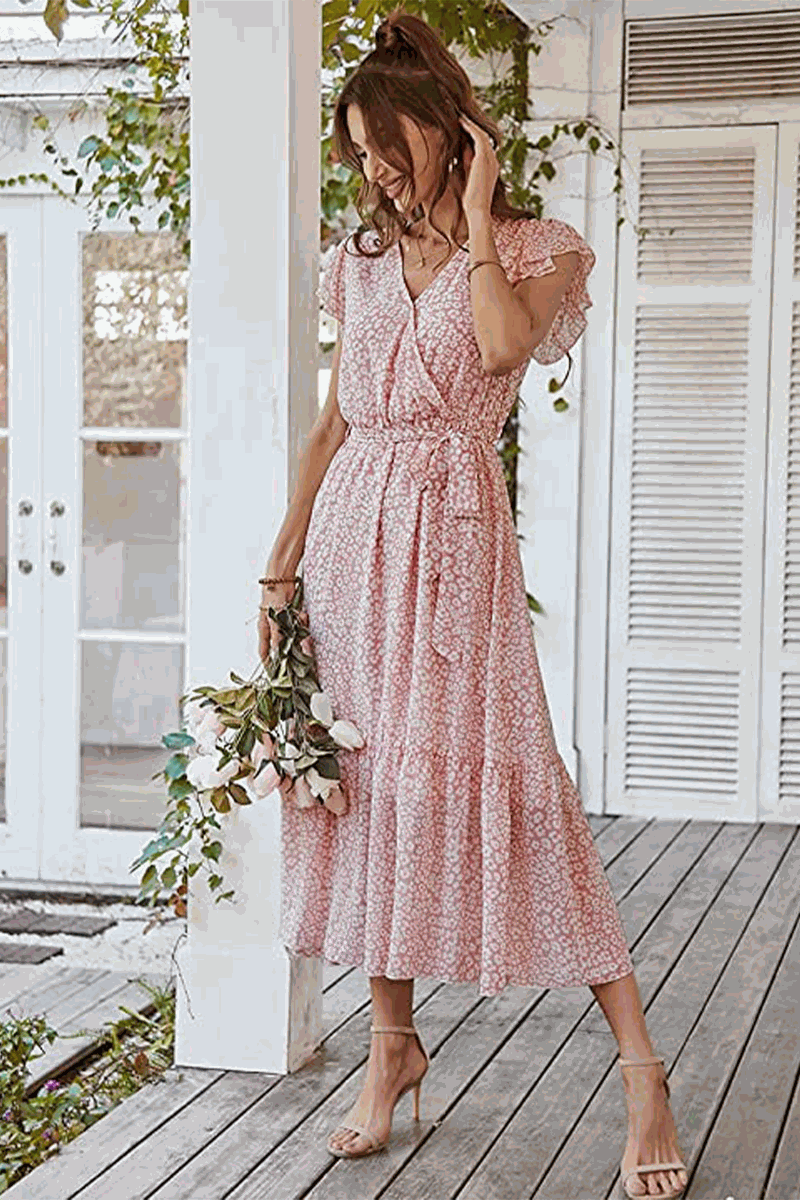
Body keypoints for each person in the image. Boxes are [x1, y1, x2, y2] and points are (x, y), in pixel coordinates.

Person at [257, 9, 688, 1198]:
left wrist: (484, 208)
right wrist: (280, 562)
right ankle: (391, 1048)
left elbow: (498, 349)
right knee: (370, 782)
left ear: (447, 133)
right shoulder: (356, 261)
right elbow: (337, 418)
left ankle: (639, 1069)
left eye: (386, 143)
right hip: (353, 540)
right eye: (354, 151)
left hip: (451, 546)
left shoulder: (538, 249)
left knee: (513, 779)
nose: (372, 169)